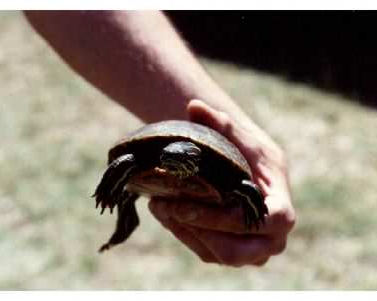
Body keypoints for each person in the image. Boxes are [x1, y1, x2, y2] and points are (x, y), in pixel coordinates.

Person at [25, 10, 296, 267]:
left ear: (194, 157)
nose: (168, 160)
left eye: (179, 157)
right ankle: (123, 224)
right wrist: (110, 187)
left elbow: (244, 185)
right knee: (127, 166)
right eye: (167, 156)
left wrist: (254, 213)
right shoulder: (147, 158)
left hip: (211, 167)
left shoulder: (217, 168)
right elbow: (124, 161)